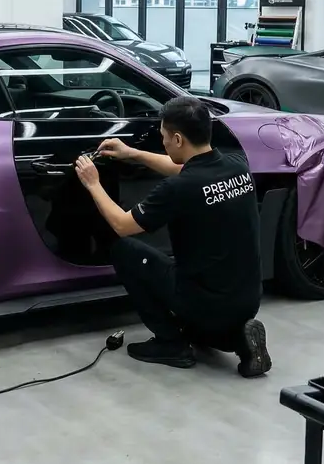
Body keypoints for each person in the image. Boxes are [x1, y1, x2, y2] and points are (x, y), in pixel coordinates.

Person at [73, 96, 271, 376]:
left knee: (124, 250)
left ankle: (170, 343)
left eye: (164, 136)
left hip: (204, 301)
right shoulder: (238, 165)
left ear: (177, 139)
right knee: (202, 316)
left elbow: (121, 224)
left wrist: (93, 183)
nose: (163, 142)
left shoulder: (177, 189)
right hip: (248, 297)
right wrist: (133, 153)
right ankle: (239, 339)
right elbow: (185, 167)